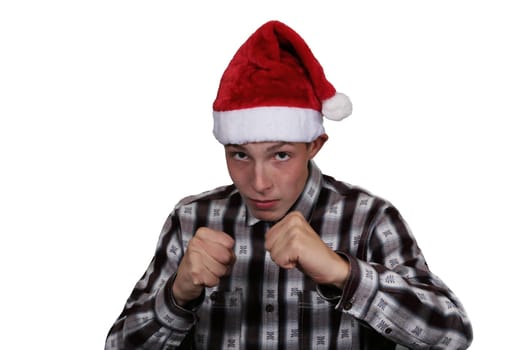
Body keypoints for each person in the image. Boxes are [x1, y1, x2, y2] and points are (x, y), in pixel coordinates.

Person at [105, 20, 473, 349]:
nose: (258, 183)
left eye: (280, 155)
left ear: (314, 145)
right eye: (240, 155)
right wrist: (177, 296)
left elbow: (452, 334)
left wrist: (342, 273)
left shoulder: (369, 219)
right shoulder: (192, 220)